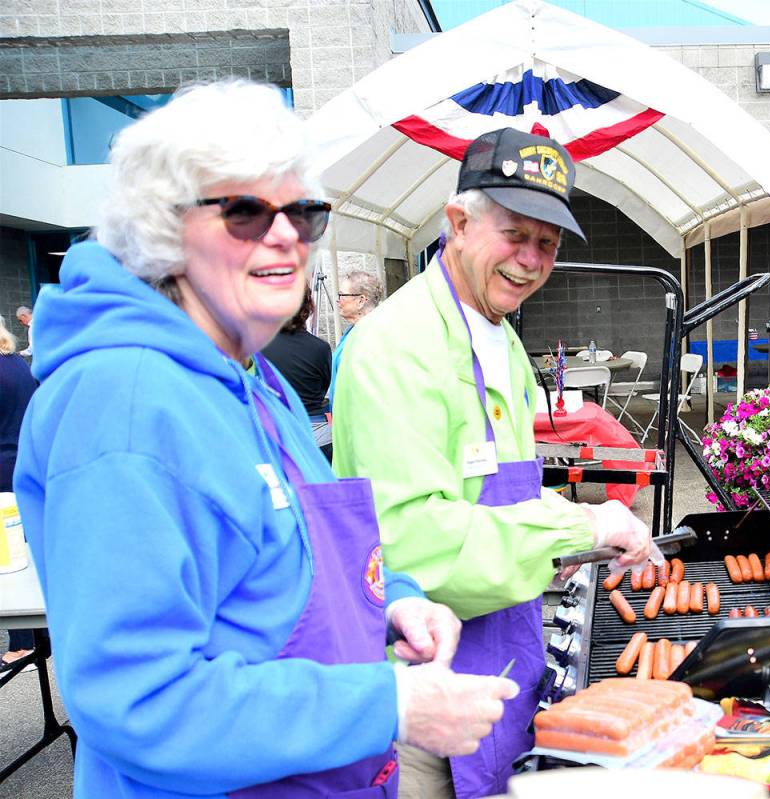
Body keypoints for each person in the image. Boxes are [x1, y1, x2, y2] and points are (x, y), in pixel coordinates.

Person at [13, 80, 517, 799]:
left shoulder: (252, 375)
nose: (285, 234)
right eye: (247, 211)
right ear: (163, 227)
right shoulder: (122, 404)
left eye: (302, 212)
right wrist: (390, 703)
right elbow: (142, 701)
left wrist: (395, 599)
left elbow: (300, 561)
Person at [333, 128, 653, 799]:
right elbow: (415, 543)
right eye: (514, 234)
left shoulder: (504, 341)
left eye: (547, 243)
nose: (530, 259)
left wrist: (577, 538)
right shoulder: (394, 346)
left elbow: (501, 497)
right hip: (425, 682)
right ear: (458, 222)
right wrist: (578, 529)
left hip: (505, 654)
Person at [0, 314, 39, 673]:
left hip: (3, 468)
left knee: (9, 561)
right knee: (21, 554)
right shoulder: (16, 364)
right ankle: (31, 642)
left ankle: (22, 646)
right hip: (21, 463)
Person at [261, 284, 333, 461]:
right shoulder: (320, 348)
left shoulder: (256, 347)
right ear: (307, 306)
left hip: (273, 433)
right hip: (316, 436)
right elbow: (323, 386)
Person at [328, 268, 384, 408]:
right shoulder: (353, 331)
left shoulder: (372, 335)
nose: (337, 300)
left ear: (361, 300)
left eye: (342, 295)